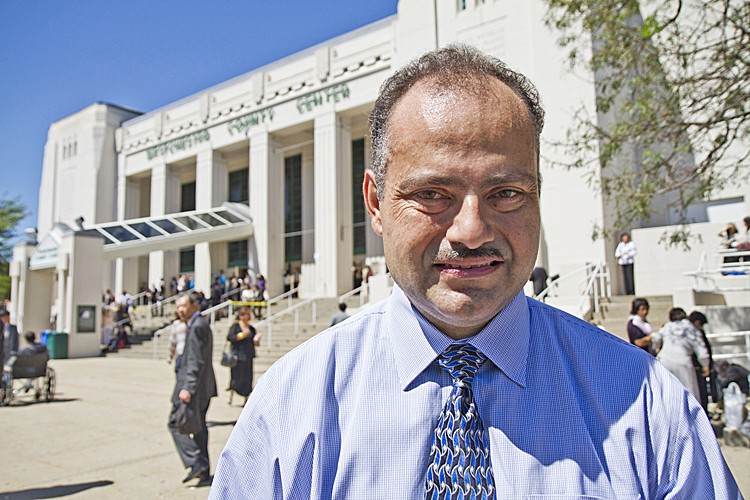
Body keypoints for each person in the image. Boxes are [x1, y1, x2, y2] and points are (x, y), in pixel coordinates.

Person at [209, 45, 740, 498]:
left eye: (505, 193)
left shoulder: (648, 407)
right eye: (432, 194)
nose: (471, 230)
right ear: (375, 203)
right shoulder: (293, 404)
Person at [168, 291, 217, 485]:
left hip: (193, 387)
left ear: (195, 306)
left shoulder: (197, 326)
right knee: (198, 428)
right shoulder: (197, 324)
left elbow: (195, 361)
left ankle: (196, 461)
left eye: (184, 306)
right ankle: (203, 469)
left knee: (175, 423)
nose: (180, 310)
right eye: (178, 306)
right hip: (201, 386)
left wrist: (188, 387)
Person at [652, 307, 711, 402]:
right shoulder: (691, 328)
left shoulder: (667, 326)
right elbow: (701, 349)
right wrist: (705, 365)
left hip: (664, 361)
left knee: (667, 394)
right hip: (683, 362)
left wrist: (657, 348)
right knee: (689, 394)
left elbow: (655, 339)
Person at [225, 307, 260, 406]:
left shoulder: (252, 329)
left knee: (248, 377)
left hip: (248, 356)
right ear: (241, 316)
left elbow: (255, 343)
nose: (248, 317)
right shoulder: (235, 327)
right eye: (246, 314)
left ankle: (246, 398)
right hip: (237, 356)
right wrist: (241, 335)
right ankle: (230, 395)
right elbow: (230, 337)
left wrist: (256, 340)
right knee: (236, 377)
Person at [689, 310, 717, 412]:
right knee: (700, 392)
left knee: (704, 392)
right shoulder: (692, 333)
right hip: (696, 368)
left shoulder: (698, 332)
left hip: (701, 367)